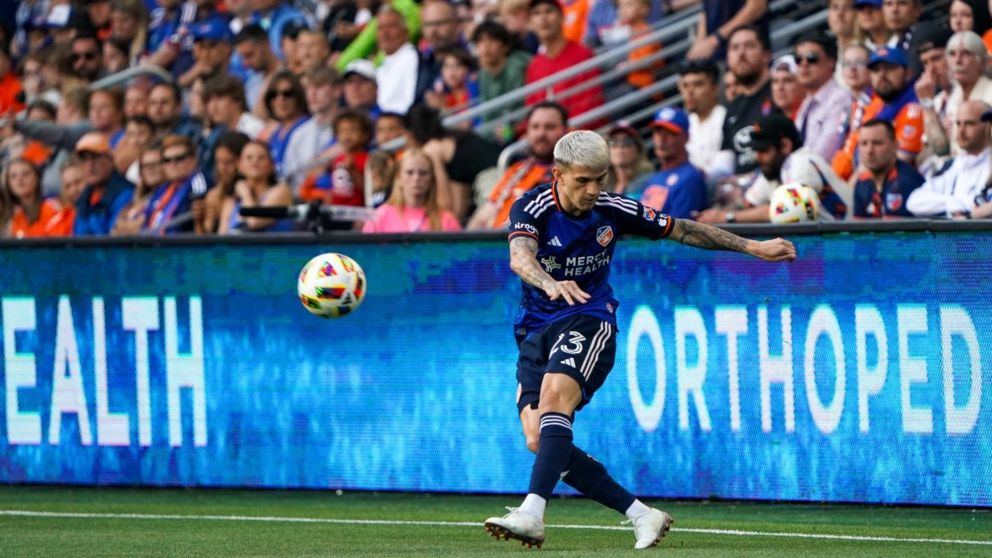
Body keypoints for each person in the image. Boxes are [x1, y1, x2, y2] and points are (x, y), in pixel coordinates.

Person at [484, 129, 796, 550]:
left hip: (589, 319)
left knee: (556, 398)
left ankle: (532, 512)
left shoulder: (612, 209)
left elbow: (684, 230)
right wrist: (549, 281)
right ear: (558, 175)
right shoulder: (533, 206)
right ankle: (642, 514)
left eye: (601, 178)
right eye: (583, 181)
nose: (595, 190)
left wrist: (753, 247)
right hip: (536, 327)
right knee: (540, 438)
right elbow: (519, 256)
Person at [467, 101, 567, 230]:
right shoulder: (518, 169)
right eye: (535, 127)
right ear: (527, 132)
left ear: (565, 130)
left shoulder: (569, 175)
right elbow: (482, 217)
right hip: (493, 243)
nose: (541, 133)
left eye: (550, 127)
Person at [907, 100, 992, 217]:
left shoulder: (988, 164)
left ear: (987, 127)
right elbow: (914, 201)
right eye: (958, 124)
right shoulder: (953, 165)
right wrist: (955, 204)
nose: (961, 131)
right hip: (955, 234)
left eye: (970, 124)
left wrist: (966, 211)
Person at [632, 108, 708, 219]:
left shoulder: (690, 178)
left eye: (670, 133)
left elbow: (677, 231)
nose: (662, 139)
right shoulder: (654, 178)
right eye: (658, 131)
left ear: (686, 137)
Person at [361, 149, 462, 232]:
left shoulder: (447, 219)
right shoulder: (379, 216)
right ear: (399, 178)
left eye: (423, 173)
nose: (416, 178)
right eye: (409, 172)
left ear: (431, 179)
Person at [852, 119, 924, 217]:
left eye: (877, 143)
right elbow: (858, 230)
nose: (869, 151)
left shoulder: (907, 182)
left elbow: (897, 231)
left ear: (895, 145)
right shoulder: (862, 183)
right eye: (864, 143)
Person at [679, 59, 726, 173]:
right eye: (685, 86)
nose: (689, 91)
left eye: (698, 84)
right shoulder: (685, 125)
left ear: (715, 89)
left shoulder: (726, 119)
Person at [5, 159, 68, 238]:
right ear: (8, 184)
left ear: (37, 178)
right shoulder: (16, 218)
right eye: (13, 176)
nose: (19, 179)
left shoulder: (52, 207)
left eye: (26, 174)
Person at [603, 121, 652, 196]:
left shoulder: (650, 182)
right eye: (614, 142)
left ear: (638, 149)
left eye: (627, 142)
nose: (620, 146)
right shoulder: (602, 187)